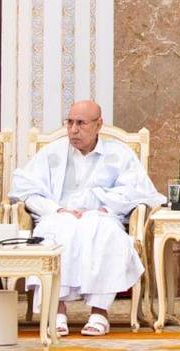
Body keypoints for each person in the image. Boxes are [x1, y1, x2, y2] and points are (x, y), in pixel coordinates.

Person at [10, 100, 164, 337]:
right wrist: (56, 209)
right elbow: (25, 190)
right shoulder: (52, 153)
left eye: (81, 123)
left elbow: (137, 191)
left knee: (106, 233)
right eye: (70, 122)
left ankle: (99, 313)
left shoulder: (119, 154)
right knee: (55, 233)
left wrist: (103, 204)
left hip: (101, 216)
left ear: (98, 125)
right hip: (59, 215)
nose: (73, 130)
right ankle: (56, 311)